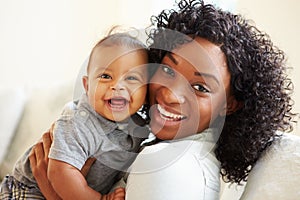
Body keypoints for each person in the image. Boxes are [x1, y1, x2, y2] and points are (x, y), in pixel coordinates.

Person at [28, 0, 296, 199]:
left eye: (200, 87)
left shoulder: (168, 169)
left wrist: (53, 192)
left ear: (231, 103)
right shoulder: (140, 133)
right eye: (167, 70)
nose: (168, 94)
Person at [0, 30, 151, 200]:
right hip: (27, 189)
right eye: (106, 76)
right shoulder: (79, 122)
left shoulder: (139, 128)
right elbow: (60, 172)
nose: (117, 86)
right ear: (87, 86)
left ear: (146, 93)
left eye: (131, 78)